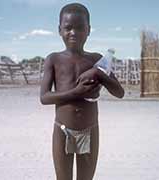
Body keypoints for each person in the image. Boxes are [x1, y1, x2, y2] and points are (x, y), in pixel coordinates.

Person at [40, 3, 124, 180]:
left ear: (88, 30)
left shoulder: (96, 60)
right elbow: (44, 97)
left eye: (79, 28)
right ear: (59, 29)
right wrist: (77, 92)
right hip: (62, 130)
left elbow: (119, 92)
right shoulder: (53, 59)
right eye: (68, 28)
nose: (73, 32)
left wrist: (98, 73)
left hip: (90, 129)